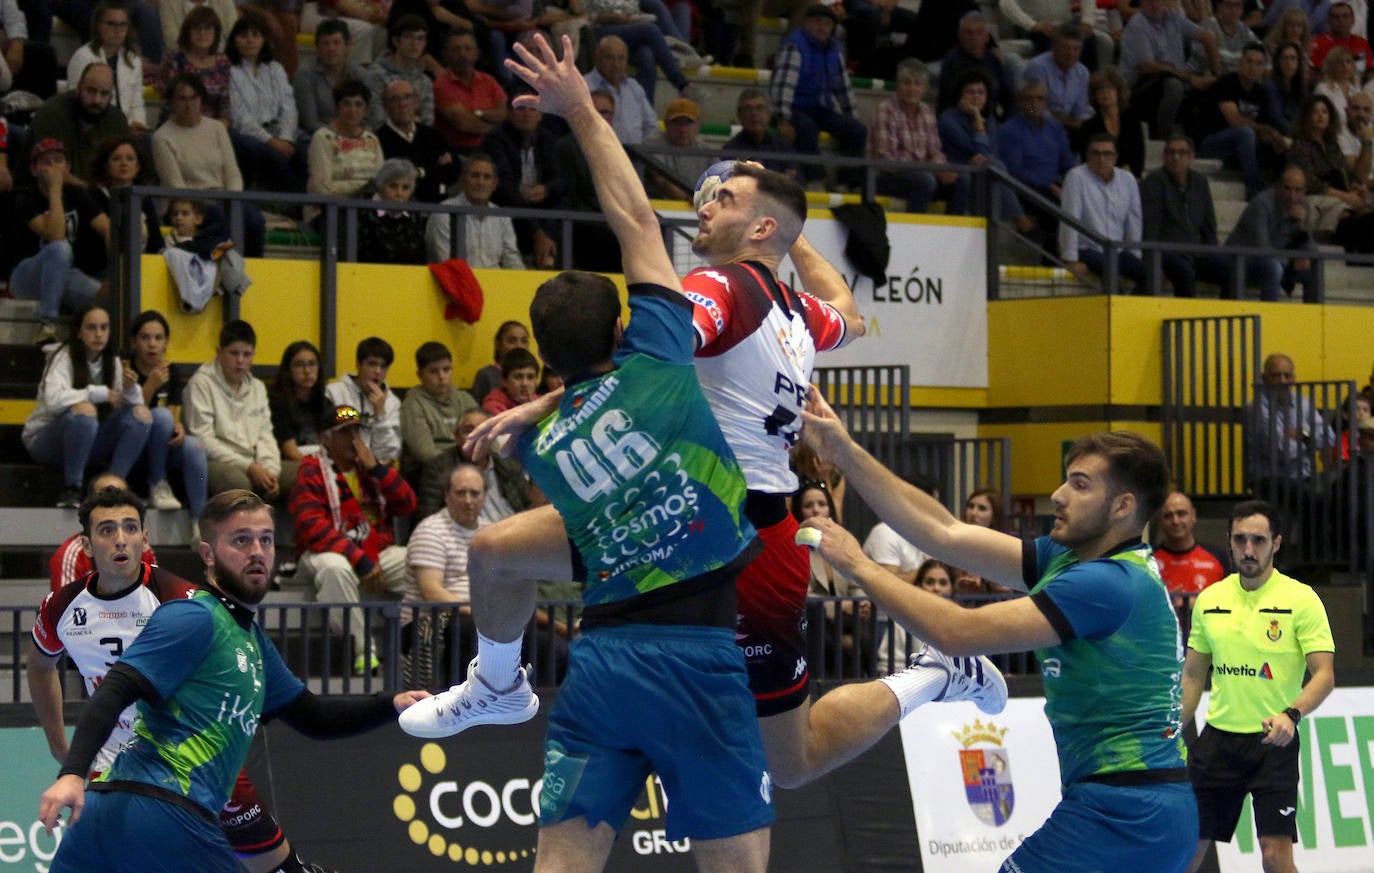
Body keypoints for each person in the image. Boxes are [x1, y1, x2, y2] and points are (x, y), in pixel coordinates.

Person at [421, 36, 1005, 800]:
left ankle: (934, 675)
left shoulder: (719, 289)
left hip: (747, 538)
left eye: (725, 198)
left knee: (790, 761)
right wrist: (799, 242)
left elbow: (643, 327)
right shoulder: (799, 315)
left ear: (760, 229)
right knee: (495, 551)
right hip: (679, 512)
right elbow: (851, 314)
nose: (707, 202)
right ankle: (499, 684)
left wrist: (542, 398)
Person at [400, 36, 780, 871]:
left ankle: (496, 678)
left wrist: (535, 403)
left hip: (602, 665)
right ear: (623, 329)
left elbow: (581, 408)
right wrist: (579, 108)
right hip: (699, 656)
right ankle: (493, 681)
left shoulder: (546, 438)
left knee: (561, 859)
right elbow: (637, 219)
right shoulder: (658, 356)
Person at [797, 410, 1198, 873]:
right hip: (1143, 805)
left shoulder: (1107, 583)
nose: (1058, 495)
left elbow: (957, 632)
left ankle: (951, 675)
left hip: (1126, 811)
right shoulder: (1069, 558)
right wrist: (844, 448)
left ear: (1123, 506)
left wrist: (861, 566)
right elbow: (944, 532)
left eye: (1081, 485)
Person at [36, 489, 430, 870]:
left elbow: (313, 716)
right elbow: (117, 686)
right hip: (161, 808)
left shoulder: (251, 641)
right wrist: (71, 769)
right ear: (207, 554)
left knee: (271, 856)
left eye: (266, 540)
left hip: (110, 811)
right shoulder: (191, 614)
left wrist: (392, 705)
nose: (257, 552)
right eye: (241, 541)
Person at [1181, 500, 1336, 873]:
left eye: (1259, 540)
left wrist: (1291, 714)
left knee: (1274, 856)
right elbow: (1193, 676)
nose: (1249, 550)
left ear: (1276, 543)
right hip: (1217, 741)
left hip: (1274, 743)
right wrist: (1172, 726)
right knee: (1185, 853)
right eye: (1240, 540)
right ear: (1230, 542)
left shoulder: (1301, 600)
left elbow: (1325, 675)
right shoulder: (1210, 600)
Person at [290, 404, 416, 674]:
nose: (353, 438)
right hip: (323, 553)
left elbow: (407, 504)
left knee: (417, 561)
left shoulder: (369, 468)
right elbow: (312, 528)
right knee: (335, 567)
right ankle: (364, 653)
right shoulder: (312, 469)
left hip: (375, 551)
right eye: (344, 432)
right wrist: (360, 560)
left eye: (356, 430)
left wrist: (378, 470)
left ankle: (417, 645)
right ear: (326, 438)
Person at [24, 305, 150, 508]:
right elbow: (54, 401)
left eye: (104, 328)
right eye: (91, 327)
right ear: (78, 332)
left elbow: (127, 405)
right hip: (46, 439)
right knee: (85, 411)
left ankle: (113, 489)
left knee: (142, 415)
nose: (99, 334)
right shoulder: (63, 357)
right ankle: (71, 489)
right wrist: (96, 393)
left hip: (89, 438)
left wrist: (130, 388)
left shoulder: (113, 361)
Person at [152, 72, 267, 258]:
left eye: (193, 98)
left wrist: (233, 199)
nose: (189, 105)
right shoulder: (162, 137)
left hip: (223, 197)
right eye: (182, 99)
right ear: (172, 103)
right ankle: (225, 269)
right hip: (189, 203)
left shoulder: (217, 128)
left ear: (202, 100)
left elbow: (232, 172)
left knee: (254, 218)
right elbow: (174, 184)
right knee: (220, 217)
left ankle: (252, 268)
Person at [183, 319, 297, 499]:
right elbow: (204, 440)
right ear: (219, 352)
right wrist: (249, 467)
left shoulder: (257, 387)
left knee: (306, 473)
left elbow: (265, 435)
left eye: (247, 354)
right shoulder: (201, 383)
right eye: (234, 353)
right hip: (215, 461)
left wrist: (271, 471)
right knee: (238, 484)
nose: (240, 361)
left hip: (255, 462)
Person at [10, 139, 109, 345]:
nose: (53, 167)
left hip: (64, 276)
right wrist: (55, 190)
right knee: (60, 249)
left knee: (107, 296)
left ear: (67, 168)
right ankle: (48, 323)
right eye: (46, 162)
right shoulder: (24, 198)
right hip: (26, 276)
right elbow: (55, 235)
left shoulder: (77, 194)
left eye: (58, 161)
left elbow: (107, 228)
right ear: (34, 169)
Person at [402, 462, 487, 689]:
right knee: (467, 625)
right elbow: (432, 592)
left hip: (481, 616)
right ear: (447, 496)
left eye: (474, 493)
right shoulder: (430, 530)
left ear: (485, 497)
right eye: (461, 492)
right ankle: (461, 700)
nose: (468, 500)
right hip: (427, 622)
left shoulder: (492, 534)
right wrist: (479, 611)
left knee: (539, 638)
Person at [126, 309, 210, 524]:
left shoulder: (171, 371)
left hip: (163, 444)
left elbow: (174, 413)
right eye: (145, 338)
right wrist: (150, 386)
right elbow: (131, 419)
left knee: (195, 445)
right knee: (160, 416)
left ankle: (199, 521)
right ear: (134, 342)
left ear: (166, 343)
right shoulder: (127, 370)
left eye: (158, 338)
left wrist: (179, 427)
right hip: (134, 444)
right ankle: (157, 482)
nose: (152, 344)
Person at [770, 4, 867, 187]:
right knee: (807, 128)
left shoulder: (833, 49)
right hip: (794, 106)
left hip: (819, 106)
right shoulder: (795, 44)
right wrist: (782, 119)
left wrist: (852, 116)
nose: (822, 28)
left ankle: (848, 183)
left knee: (856, 130)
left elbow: (842, 87)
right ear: (806, 23)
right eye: (817, 23)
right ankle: (815, 179)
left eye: (827, 24)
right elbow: (783, 86)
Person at [937, 68, 1035, 228]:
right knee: (995, 166)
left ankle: (1004, 222)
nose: (976, 97)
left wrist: (980, 122)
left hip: (980, 174)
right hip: (957, 173)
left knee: (994, 166)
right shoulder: (948, 118)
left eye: (981, 92)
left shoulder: (989, 120)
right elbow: (975, 148)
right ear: (960, 94)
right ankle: (1018, 216)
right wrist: (977, 118)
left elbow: (988, 154)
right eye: (970, 92)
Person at [1142, 133, 1235, 297]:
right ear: (1164, 156)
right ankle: (1186, 319)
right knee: (1184, 271)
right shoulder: (1154, 180)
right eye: (1171, 152)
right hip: (1168, 251)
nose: (1176, 157)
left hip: (1196, 251)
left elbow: (1209, 224)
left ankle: (1227, 317)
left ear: (1191, 157)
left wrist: (1213, 252)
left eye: (1182, 152)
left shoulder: (1200, 182)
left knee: (1232, 270)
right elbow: (1150, 227)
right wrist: (1152, 263)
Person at [1194, 43, 1289, 198]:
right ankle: (1253, 189)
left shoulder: (1261, 92)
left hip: (1241, 149)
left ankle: (1283, 190)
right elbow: (1235, 121)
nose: (1253, 67)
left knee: (1277, 141)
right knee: (1245, 133)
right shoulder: (1227, 83)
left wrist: (1274, 137)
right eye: (1249, 61)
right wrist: (1264, 129)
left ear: (1263, 68)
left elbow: (1263, 129)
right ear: (1240, 63)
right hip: (1211, 144)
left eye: (1259, 63)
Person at [869, 59, 962, 215]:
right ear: (898, 85)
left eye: (917, 84)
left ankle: (956, 234)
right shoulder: (886, 109)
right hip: (886, 176)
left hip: (922, 173)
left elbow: (935, 152)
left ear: (925, 89)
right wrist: (930, 169)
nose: (911, 89)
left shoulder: (928, 112)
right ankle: (915, 231)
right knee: (925, 181)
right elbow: (886, 159)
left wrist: (942, 170)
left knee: (960, 181)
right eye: (906, 83)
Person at [227, 11, 306, 191]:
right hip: (250, 134)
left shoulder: (275, 68)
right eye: (243, 35)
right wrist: (272, 141)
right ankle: (297, 201)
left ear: (263, 40)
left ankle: (315, 205)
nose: (249, 40)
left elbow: (289, 107)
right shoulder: (230, 71)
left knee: (309, 147)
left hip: (281, 131)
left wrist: (285, 138)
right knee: (265, 152)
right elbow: (239, 117)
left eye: (255, 35)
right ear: (234, 40)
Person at [416, 406, 539, 523]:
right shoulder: (438, 468)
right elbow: (429, 515)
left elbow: (527, 506)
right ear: (456, 437)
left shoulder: (509, 465)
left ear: (494, 436)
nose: (476, 436)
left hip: (513, 532)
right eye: (469, 430)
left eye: (484, 430)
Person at [482, 88, 562, 266]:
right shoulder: (496, 139)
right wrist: (537, 232)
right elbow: (503, 189)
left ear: (541, 114)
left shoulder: (547, 139)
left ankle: (550, 268)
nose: (526, 114)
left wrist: (546, 188)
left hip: (541, 208)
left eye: (532, 108)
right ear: (509, 112)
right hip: (507, 210)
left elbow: (560, 179)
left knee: (560, 215)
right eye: (520, 108)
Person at [1120, 0, 1220, 138]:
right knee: (1174, 86)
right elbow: (1147, 66)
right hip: (1141, 85)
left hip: (1173, 76)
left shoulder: (1173, 18)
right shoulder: (1138, 24)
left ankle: (1200, 145)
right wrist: (1190, 78)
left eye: (1158, 1)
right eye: (1149, 2)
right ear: (1141, 3)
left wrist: (1216, 74)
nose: (1154, 5)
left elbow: (1207, 37)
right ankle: (1162, 139)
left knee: (1213, 87)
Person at [1059, 133, 1146, 293]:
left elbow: (1134, 220)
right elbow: (1070, 218)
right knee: (1110, 271)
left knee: (1149, 274)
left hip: (1117, 249)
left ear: (1115, 157)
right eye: (1096, 153)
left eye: (1107, 153)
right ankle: (1121, 316)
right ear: (1087, 155)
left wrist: (1134, 254)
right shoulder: (1076, 176)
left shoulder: (1127, 179)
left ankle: (1135, 313)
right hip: (1087, 248)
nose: (1101, 158)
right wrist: (1070, 258)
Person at [1225, 166, 1322, 302]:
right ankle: (1268, 317)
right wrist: (1291, 263)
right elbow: (1262, 250)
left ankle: (1314, 320)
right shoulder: (1262, 204)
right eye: (1287, 189)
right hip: (1243, 259)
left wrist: (1303, 225)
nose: (1292, 196)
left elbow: (1312, 251)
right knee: (1273, 267)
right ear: (1278, 187)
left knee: (1314, 269)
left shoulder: (1302, 206)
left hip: (1278, 260)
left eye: (1297, 190)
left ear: (1304, 191)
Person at [47, 473, 157, 591]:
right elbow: (65, 607)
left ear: (144, 540)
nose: (121, 540)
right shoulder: (70, 555)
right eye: (105, 495)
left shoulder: (141, 548)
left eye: (120, 494)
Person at [26, 61, 130, 183]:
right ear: (79, 87)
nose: (97, 100)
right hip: (44, 194)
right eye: (91, 91)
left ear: (111, 97)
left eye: (104, 94)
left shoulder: (117, 121)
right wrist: (92, 193)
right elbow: (49, 169)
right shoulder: (52, 113)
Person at [998, 78, 1077, 228]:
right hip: (1025, 189)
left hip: (1054, 186)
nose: (1034, 103)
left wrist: (1076, 182)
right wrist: (1049, 186)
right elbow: (1015, 171)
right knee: (1058, 209)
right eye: (1028, 98)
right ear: (1020, 102)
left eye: (1039, 98)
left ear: (1046, 102)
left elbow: (1067, 162)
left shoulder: (1055, 128)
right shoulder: (1009, 130)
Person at [426, 152, 524, 266]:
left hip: (494, 282)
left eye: (487, 177)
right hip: (455, 281)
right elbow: (446, 264)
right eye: (475, 176)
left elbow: (512, 260)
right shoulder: (443, 213)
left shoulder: (501, 216)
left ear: (495, 184)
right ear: (463, 180)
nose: (481, 182)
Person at [585, 0, 691, 101]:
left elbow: (633, 7)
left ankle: (644, 108)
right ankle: (682, 83)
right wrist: (611, 17)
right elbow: (585, 15)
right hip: (601, 29)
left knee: (647, 54)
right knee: (650, 30)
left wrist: (634, 17)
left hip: (629, 27)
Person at [65, 1, 146, 132]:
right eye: (111, 24)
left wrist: (137, 125)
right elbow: (78, 103)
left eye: (122, 25)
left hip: (127, 129)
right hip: (94, 128)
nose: (118, 30)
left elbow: (137, 105)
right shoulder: (82, 57)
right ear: (98, 26)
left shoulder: (133, 59)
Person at [399, 340, 478, 476]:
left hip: (471, 464)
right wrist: (463, 469)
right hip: (431, 472)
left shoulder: (464, 399)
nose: (441, 377)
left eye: (446, 370)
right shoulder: (413, 404)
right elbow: (424, 453)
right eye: (433, 371)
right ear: (420, 375)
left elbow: (485, 433)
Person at [324, 336, 403, 465]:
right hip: (338, 465)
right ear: (358, 364)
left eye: (383, 367)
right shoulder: (333, 392)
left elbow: (387, 455)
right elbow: (326, 436)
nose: (378, 371)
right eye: (372, 364)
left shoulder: (392, 403)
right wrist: (352, 416)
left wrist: (380, 415)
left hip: (374, 470)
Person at [377, 78, 456, 203]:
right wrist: (432, 167)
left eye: (408, 97)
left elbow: (452, 170)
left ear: (416, 102)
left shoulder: (434, 135)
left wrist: (418, 171)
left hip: (437, 204)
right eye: (395, 99)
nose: (403, 104)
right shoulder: (378, 139)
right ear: (386, 107)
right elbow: (391, 179)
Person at [306, 79, 386, 198]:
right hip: (331, 207)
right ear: (337, 108)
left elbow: (382, 180)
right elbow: (321, 186)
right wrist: (358, 195)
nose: (352, 110)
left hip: (368, 206)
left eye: (358, 104)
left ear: (365, 110)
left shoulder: (371, 138)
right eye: (346, 104)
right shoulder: (322, 138)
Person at [433, 28, 508, 153]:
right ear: (446, 54)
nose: (462, 54)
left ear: (477, 53)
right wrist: (495, 127)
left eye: (468, 48)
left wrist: (477, 113)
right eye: (456, 49)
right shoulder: (441, 85)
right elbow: (464, 124)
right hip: (459, 150)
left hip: (493, 147)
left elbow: (503, 114)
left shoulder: (488, 80)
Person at [156, 5, 234, 124]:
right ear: (187, 32)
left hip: (216, 127)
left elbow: (226, 105)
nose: (202, 33)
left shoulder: (223, 62)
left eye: (208, 28)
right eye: (196, 28)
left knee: (249, 142)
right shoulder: (175, 60)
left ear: (216, 32)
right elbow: (172, 104)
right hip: (179, 125)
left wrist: (220, 126)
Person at [936, 9, 1019, 119]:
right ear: (960, 36)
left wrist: (1007, 121)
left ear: (987, 37)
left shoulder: (992, 60)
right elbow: (949, 101)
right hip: (960, 119)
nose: (974, 38)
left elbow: (1008, 96)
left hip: (990, 119)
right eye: (969, 33)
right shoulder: (952, 62)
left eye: (979, 33)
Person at [294, 18, 368, 134]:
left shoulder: (360, 74)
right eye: (325, 43)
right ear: (317, 49)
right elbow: (310, 123)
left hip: (356, 135)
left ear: (348, 46)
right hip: (320, 136)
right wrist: (342, 136)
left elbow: (369, 116)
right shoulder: (305, 74)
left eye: (336, 42)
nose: (331, 49)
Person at [362, 14, 435, 129]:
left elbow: (428, 122)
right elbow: (376, 119)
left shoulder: (425, 81)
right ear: (396, 41)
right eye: (409, 37)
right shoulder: (376, 75)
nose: (415, 44)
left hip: (417, 140)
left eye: (420, 38)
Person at [1152, 490, 1227, 602]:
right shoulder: (1147, 560)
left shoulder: (1220, 557)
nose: (1175, 521)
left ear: (1193, 515)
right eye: (1168, 516)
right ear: (1160, 520)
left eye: (1181, 514)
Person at [582, 34, 656, 145]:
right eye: (609, 58)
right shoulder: (584, 86)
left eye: (621, 58)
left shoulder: (634, 87)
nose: (616, 64)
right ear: (597, 57)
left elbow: (651, 125)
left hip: (636, 157)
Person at [1022, 24, 1094, 134]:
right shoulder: (1037, 67)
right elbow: (1032, 108)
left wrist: (1081, 122)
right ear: (1054, 48)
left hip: (1069, 127)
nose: (1071, 54)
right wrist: (1068, 123)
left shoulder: (1082, 71)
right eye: (1066, 48)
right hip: (1037, 124)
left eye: (1076, 49)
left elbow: (1080, 109)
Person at [1076, 67, 1146, 178]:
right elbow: (1087, 160)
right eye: (1100, 90)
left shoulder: (1132, 122)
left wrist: (1126, 171)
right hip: (1098, 178)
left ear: (1118, 92)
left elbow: (1138, 157)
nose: (1105, 93)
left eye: (1109, 88)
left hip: (1128, 177)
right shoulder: (1089, 126)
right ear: (1095, 96)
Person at [357, 157, 428, 264]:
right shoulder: (362, 212)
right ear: (380, 186)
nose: (399, 193)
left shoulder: (414, 215)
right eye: (393, 186)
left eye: (405, 188)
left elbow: (419, 258)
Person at [722, 87, 800, 179]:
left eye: (760, 108)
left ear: (769, 114)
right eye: (748, 109)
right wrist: (779, 180)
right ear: (739, 115)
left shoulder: (784, 148)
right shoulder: (730, 150)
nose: (754, 113)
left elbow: (796, 183)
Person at [643, 97, 713, 200]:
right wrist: (691, 196)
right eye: (676, 122)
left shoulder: (707, 151)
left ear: (698, 126)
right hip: (660, 206)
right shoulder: (652, 144)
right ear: (666, 124)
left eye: (688, 122)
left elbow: (718, 181)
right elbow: (661, 181)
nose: (682, 129)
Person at [269, 340, 328, 463]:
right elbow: (291, 453)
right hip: (290, 462)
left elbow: (343, 415)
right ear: (288, 370)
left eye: (312, 364)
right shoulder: (278, 403)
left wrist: (354, 414)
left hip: (318, 460)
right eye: (299, 365)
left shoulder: (323, 401)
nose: (307, 371)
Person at [470, 320, 530, 402]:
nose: (519, 346)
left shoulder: (530, 373)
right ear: (499, 344)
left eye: (524, 341)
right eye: (512, 341)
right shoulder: (486, 375)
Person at [1310, 1, 1372, 73]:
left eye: (1345, 16)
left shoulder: (1362, 43)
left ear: (1353, 20)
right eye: (1336, 17)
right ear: (1329, 21)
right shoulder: (1318, 43)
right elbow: (1314, 72)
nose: (1341, 20)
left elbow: (1369, 70)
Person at [479, 346, 540, 414]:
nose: (525, 383)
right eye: (518, 377)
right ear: (504, 381)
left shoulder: (541, 403)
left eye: (530, 377)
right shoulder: (492, 406)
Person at [1271, 40, 1311, 134]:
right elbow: (1277, 119)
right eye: (1284, 58)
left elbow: (1307, 115)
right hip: (1280, 135)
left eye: (1293, 58)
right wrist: (1301, 134)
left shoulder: (1303, 88)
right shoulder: (1270, 87)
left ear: (1298, 63)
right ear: (1278, 62)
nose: (1288, 63)